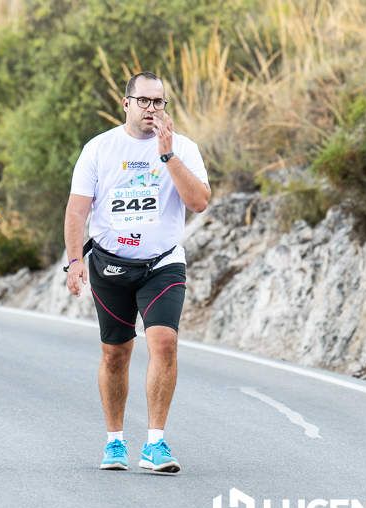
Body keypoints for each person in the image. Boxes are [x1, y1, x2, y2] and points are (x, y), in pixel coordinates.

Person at [64, 71, 210, 474]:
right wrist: (75, 261)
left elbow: (198, 202)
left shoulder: (183, 148)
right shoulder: (99, 148)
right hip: (110, 265)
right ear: (126, 103)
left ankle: (156, 442)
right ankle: (114, 442)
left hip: (162, 262)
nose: (151, 109)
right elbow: (77, 210)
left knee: (163, 343)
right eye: (143, 101)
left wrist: (168, 156)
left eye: (159, 102)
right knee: (116, 353)